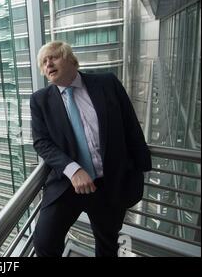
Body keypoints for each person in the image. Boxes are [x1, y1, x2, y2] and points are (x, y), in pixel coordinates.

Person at [30, 41, 151, 257]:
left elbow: (130, 124)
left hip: (109, 184)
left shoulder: (107, 83)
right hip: (67, 185)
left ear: (71, 60)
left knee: (107, 244)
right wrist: (72, 169)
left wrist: (138, 170)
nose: (48, 64)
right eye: (43, 62)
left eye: (53, 57)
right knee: (44, 242)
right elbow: (41, 142)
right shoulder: (40, 101)